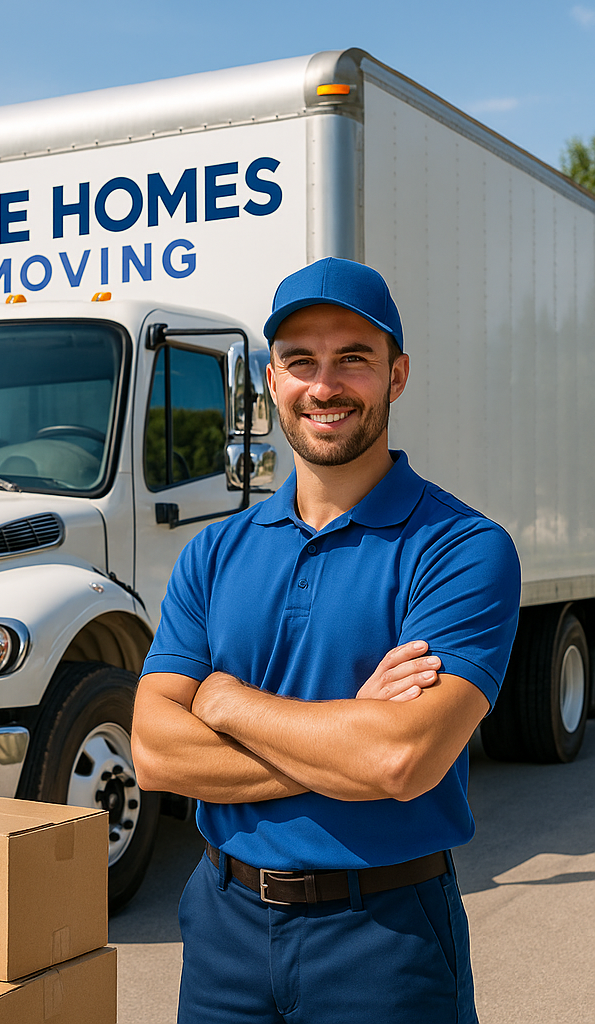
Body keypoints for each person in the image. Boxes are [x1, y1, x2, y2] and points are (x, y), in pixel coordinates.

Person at [132, 257, 521, 1024]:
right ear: (271, 380)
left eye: (354, 359)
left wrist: (225, 698)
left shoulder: (463, 549)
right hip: (222, 929)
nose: (325, 384)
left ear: (397, 375)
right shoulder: (214, 553)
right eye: (300, 361)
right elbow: (154, 751)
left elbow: (399, 758)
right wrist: (347, 731)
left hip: (382, 935)